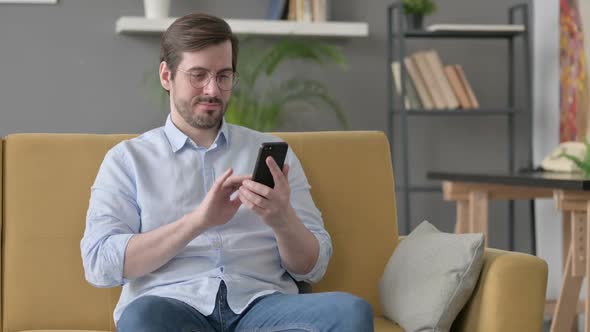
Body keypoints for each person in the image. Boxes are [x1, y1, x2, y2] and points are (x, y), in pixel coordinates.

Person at [80, 11, 373, 332]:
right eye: (198, 75)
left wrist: (282, 219)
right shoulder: (127, 160)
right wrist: (199, 221)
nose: (213, 90)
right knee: (141, 318)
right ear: (167, 76)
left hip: (263, 306)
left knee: (351, 312)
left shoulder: (271, 152)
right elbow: (100, 264)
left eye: (223, 76)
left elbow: (312, 268)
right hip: (172, 307)